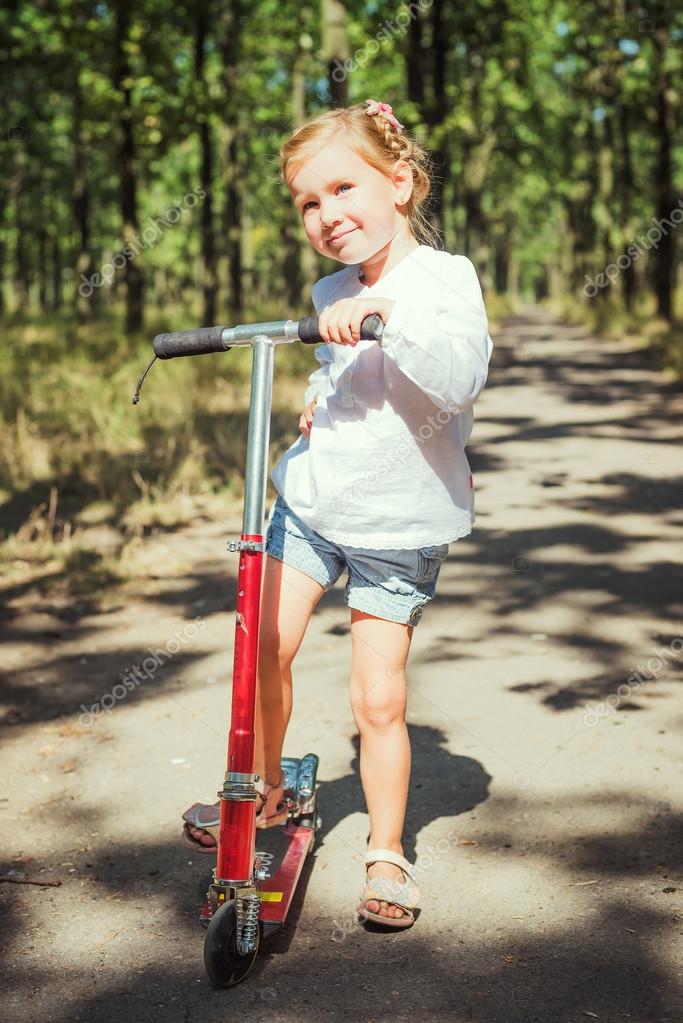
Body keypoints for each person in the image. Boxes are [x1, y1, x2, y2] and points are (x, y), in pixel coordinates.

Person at [181, 98, 494, 930]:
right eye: (308, 203)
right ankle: (267, 791)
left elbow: (459, 380)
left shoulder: (443, 278)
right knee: (263, 648)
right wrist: (318, 399)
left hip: (400, 523)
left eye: (342, 189)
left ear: (400, 183)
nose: (326, 215)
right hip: (314, 504)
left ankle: (387, 848)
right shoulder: (328, 286)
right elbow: (338, 369)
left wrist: (387, 325)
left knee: (377, 699)